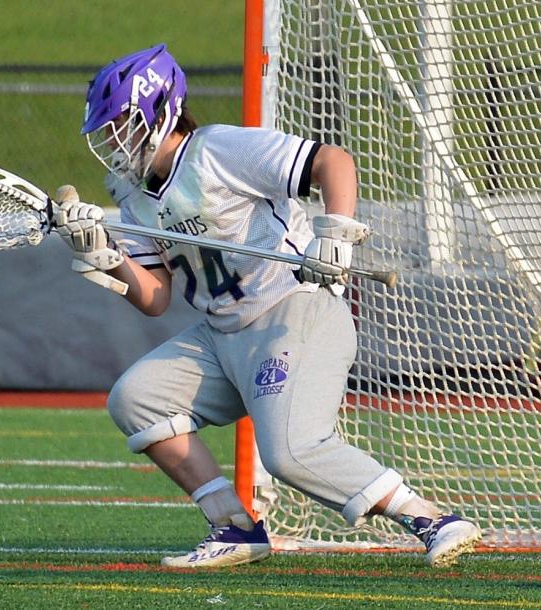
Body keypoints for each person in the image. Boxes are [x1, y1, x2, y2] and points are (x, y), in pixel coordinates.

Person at [53, 44, 481, 568]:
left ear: (159, 110)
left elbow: (333, 161)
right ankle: (234, 528)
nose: (113, 139)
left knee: (290, 453)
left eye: (121, 123)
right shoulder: (133, 191)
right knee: (137, 397)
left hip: (292, 311)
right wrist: (105, 256)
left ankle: (431, 518)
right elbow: (157, 297)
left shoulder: (217, 150)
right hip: (222, 334)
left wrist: (335, 238)